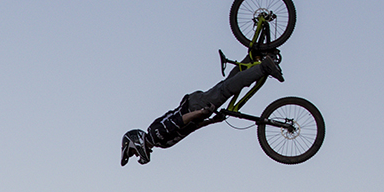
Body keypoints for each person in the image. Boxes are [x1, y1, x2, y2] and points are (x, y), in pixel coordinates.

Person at [120, 56, 283, 165]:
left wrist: (201, 112)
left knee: (226, 90)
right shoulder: (161, 143)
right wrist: (211, 120)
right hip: (195, 109)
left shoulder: (155, 134)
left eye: (133, 151)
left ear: (137, 142)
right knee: (225, 85)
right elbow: (191, 128)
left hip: (193, 107)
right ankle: (254, 56)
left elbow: (180, 120)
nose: (136, 155)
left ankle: (263, 68)